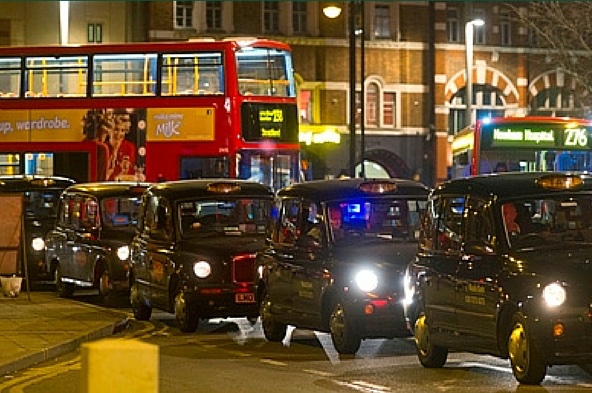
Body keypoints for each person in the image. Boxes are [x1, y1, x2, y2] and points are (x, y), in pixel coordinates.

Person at [106, 113, 136, 181]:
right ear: (109, 131)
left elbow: (130, 173)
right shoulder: (104, 148)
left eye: (122, 130)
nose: (119, 134)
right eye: (116, 129)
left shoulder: (129, 147)